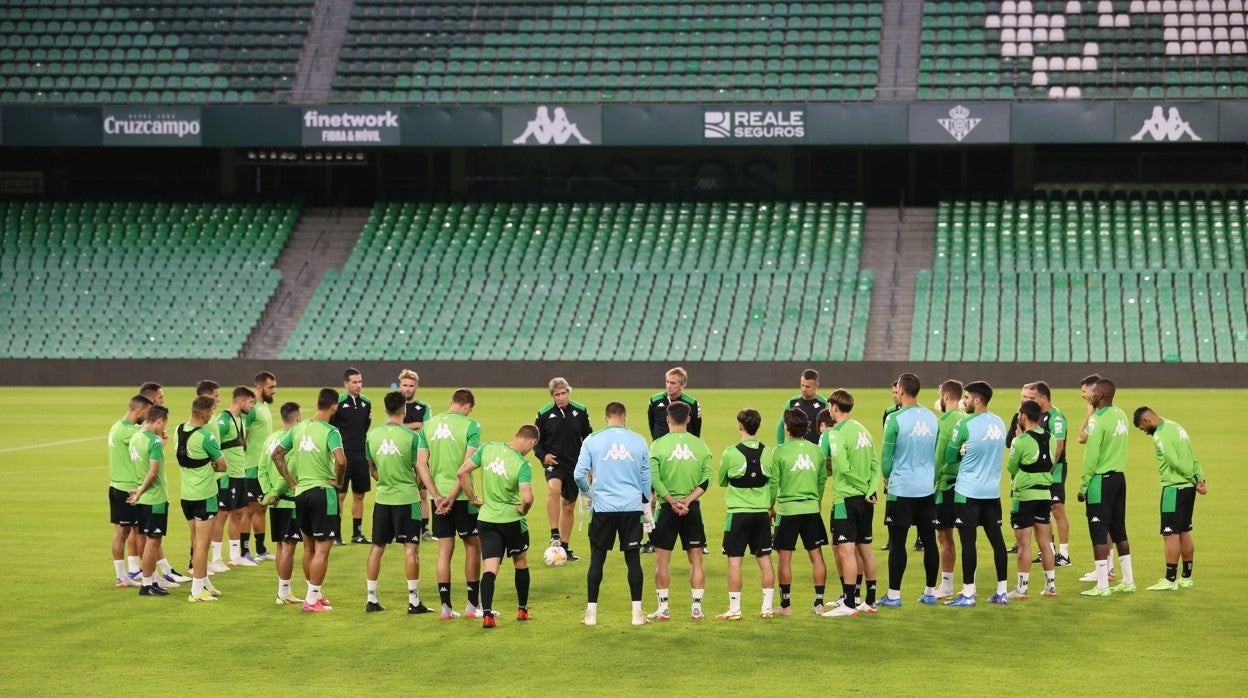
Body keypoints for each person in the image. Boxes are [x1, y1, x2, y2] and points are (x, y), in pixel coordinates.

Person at [447, 425, 541, 629]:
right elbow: (527, 497)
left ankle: (488, 615)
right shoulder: (522, 464)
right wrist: (523, 509)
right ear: (532, 442)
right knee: (520, 562)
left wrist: (473, 499)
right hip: (512, 521)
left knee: (490, 567)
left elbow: (462, 471)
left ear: (516, 435)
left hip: (487, 519)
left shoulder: (487, 448)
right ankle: (522, 610)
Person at [574, 402, 651, 627]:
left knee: (597, 559)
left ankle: (591, 615)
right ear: (624, 417)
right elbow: (646, 476)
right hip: (631, 507)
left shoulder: (592, 440)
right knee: (633, 560)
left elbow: (578, 474)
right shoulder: (639, 440)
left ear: (605, 418)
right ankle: (637, 615)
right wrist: (645, 504)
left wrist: (588, 494)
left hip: (603, 507)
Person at [272, 388, 347, 612]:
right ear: (334, 407)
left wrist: (292, 482)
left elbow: (276, 454)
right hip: (323, 492)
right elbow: (341, 461)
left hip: (301, 493)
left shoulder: (298, 427)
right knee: (322, 549)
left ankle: (315, 593)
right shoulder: (331, 431)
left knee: (308, 548)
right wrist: (338, 481)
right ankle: (311, 600)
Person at [415, 389, 483, 620]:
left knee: (444, 551)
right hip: (462, 497)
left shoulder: (428, 425)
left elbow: (421, 465)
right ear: (468, 406)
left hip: (438, 498)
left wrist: (436, 495)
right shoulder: (472, 426)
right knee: (473, 547)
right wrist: (453, 496)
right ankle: (472, 606)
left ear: (451, 402)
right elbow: (466, 466)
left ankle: (445, 608)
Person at [943, 381, 1010, 607]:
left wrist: (962, 451)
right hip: (991, 492)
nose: (964, 401)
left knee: (968, 542)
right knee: (997, 541)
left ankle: (968, 593)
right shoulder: (999, 422)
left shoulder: (965, 424)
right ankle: (1002, 591)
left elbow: (950, 457)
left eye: (967, 397)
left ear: (977, 400)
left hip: (967, 491)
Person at [363, 391, 430, 614]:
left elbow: (372, 467)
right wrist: (415, 487)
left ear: (385, 410)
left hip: (383, 498)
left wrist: (384, 481)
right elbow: (420, 469)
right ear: (404, 409)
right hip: (408, 499)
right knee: (411, 548)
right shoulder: (413, 437)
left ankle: (371, 599)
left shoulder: (371, 435)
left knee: (377, 548)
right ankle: (413, 602)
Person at [645, 401, 713, 621]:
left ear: (667, 419)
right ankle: (697, 608)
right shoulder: (701, 445)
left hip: (666, 510)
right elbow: (706, 479)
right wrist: (688, 501)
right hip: (692, 510)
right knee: (696, 560)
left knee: (662, 561)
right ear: (689, 419)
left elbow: (654, 479)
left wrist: (672, 501)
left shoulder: (657, 445)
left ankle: (663, 609)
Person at [878, 373, 941, 607]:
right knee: (929, 541)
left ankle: (894, 595)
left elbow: (886, 459)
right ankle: (930, 592)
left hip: (902, 488)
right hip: (926, 488)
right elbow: (935, 452)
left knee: (898, 542)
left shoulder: (894, 419)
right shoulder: (932, 417)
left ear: (902, 391)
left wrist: (887, 479)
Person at [1132, 407, 1207, 591]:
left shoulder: (1160, 435)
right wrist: (1200, 479)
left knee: (1169, 534)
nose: (1145, 432)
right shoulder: (1176, 426)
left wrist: (1194, 479)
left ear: (1147, 421)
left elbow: (1174, 462)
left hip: (1174, 489)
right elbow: (1192, 456)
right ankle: (1186, 577)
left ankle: (1170, 579)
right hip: (1188, 489)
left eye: (1142, 428)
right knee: (1184, 531)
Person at [716, 408, 778, 620]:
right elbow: (773, 483)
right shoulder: (768, 452)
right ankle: (767, 608)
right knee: (765, 559)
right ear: (758, 426)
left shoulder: (730, 452)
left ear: (740, 426)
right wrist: (769, 506)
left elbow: (722, 480)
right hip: (761, 513)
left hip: (737, 514)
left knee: (735, 561)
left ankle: (735, 610)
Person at [823, 390, 880, 617]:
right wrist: (871, 488)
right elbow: (875, 465)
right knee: (865, 549)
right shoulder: (863, 430)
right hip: (867, 500)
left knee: (846, 551)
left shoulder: (836, 433)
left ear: (835, 407)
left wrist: (863, 486)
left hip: (846, 499)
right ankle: (870, 601)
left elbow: (844, 468)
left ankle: (848, 603)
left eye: (830, 406)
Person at [1078, 378, 1135, 596]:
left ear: (1100, 395)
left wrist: (1083, 485)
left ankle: (1102, 586)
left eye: (1092, 392)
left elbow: (1091, 455)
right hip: (1119, 478)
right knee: (1119, 531)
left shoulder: (1097, 419)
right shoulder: (1120, 414)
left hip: (1100, 481)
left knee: (1099, 533)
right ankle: (1128, 581)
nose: (1089, 396)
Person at [773, 408, 829, 615]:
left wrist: (770, 506)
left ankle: (785, 606)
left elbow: (773, 483)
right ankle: (819, 603)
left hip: (788, 511)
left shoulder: (779, 452)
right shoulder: (817, 451)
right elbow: (821, 480)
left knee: (784, 558)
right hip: (811, 509)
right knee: (817, 556)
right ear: (806, 428)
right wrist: (817, 500)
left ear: (787, 428)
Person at [644, 367, 703, 553]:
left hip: (684, 456)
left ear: (683, 385)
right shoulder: (654, 401)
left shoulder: (692, 404)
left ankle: (698, 540)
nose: (669, 386)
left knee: (691, 497)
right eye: (667, 382)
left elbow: (696, 432)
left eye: (673, 383)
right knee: (653, 500)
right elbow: (652, 426)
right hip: (661, 457)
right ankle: (652, 539)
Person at [177, 396, 228, 602]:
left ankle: (204, 582)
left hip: (186, 495)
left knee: (197, 540)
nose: (213, 415)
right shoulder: (206, 436)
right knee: (202, 543)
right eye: (212, 411)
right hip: (205, 495)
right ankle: (197, 591)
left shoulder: (179, 430)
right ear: (205, 413)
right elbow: (223, 465)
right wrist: (213, 465)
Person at [535, 377, 592, 561]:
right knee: (554, 488)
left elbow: (589, 439)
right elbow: (536, 442)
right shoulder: (544, 414)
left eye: (563, 393)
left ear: (568, 392)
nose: (561, 397)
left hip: (575, 465)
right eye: (557, 394)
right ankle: (554, 533)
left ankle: (564, 547)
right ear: (552, 396)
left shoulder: (580, 411)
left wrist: (590, 466)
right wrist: (544, 456)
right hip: (555, 464)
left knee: (569, 505)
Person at [1006, 400, 1057, 599]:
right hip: (1045, 495)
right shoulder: (1051, 438)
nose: (1018, 418)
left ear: (1024, 416)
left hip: (1024, 496)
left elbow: (1011, 467)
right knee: (1045, 543)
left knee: (1024, 544)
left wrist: (1019, 439)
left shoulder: (1020, 441)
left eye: (1019, 415)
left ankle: (1022, 589)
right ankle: (1050, 587)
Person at [258, 401, 303, 605]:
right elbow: (290, 470)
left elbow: (261, 468)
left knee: (280, 546)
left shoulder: (270, 438)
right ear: (298, 417)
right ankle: (284, 593)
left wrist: (268, 493)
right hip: (288, 502)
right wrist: (275, 493)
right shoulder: (294, 440)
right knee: (288, 548)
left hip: (275, 502)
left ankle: (283, 591)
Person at [109, 394, 153, 587]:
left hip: (116, 486)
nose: (148, 416)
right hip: (129, 488)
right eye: (148, 412)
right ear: (139, 410)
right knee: (140, 532)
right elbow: (147, 440)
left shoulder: (117, 426)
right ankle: (149, 577)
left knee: (122, 533)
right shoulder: (129, 432)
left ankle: (122, 577)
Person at [128, 406, 171, 596]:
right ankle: (147, 585)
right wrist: (140, 491)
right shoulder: (154, 441)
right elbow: (153, 473)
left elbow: (144, 463)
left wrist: (139, 491)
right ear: (159, 420)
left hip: (142, 499)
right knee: (153, 542)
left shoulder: (136, 437)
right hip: (155, 499)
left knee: (146, 540)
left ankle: (151, 581)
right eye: (164, 423)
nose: (164, 427)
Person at [213, 386, 257, 569]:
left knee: (238, 513)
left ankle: (235, 556)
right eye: (251, 403)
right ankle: (216, 558)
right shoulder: (223, 420)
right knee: (222, 514)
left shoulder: (241, 419)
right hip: (227, 475)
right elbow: (214, 446)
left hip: (240, 473)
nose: (252, 406)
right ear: (242, 401)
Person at [932, 380, 967, 599]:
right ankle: (969, 586)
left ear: (945, 396)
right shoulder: (969, 419)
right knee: (967, 538)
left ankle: (946, 586)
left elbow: (938, 457)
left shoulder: (942, 422)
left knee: (944, 536)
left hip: (946, 485)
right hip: (967, 486)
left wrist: (931, 483)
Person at [330, 368, 373, 545]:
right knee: (340, 495)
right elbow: (331, 428)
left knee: (359, 495)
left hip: (360, 455)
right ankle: (336, 535)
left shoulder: (366, 403)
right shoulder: (338, 402)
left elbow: (365, 426)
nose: (358, 385)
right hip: (343, 456)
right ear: (346, 383)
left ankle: (357, 533)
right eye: (354, 382)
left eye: (360, 381)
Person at [243, 371, 278, 562]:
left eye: (275, 386)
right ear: (259, 387)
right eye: (270, 387)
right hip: (251, 466)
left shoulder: (263, 406)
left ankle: (261, 549)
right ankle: (243, 551)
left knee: (262, 507)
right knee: (249, 509)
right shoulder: (252, 408)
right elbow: (243, 439)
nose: (274, 390)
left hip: (264, 467)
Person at [398, 369, 434, 541]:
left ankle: (425, 528)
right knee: (401, 491)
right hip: (400, 454)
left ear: (416, 387)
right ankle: (401, 528)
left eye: (411, 385)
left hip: (420, 455)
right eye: (404, 385)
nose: (407, 389)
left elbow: (427, 428)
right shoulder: (395, 405)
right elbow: (393, 427)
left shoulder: (424, 407)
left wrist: (406, 426)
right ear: (400, 385)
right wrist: (416, 425)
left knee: (423, 493)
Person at [775, 369, 828, 446]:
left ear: (816, 386)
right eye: (802, 385)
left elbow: (830, 430)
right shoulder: (792, 403)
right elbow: (781, 426)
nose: (804, 389)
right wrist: (780, 446)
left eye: (808, 387)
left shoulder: (824, 405)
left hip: (815, 451)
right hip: (795, 450)